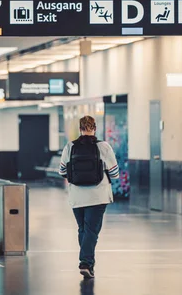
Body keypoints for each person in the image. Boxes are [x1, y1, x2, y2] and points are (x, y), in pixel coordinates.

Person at [58, 116, 119, 279]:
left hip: (77, 195)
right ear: (95, 128)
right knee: (91, 230)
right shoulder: (103, 147)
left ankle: (88, 262)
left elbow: (62, 171)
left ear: (80, 129)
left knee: (83, 229)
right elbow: (115, 173)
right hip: (98, 195)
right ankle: (85, 262)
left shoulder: (70, 146)